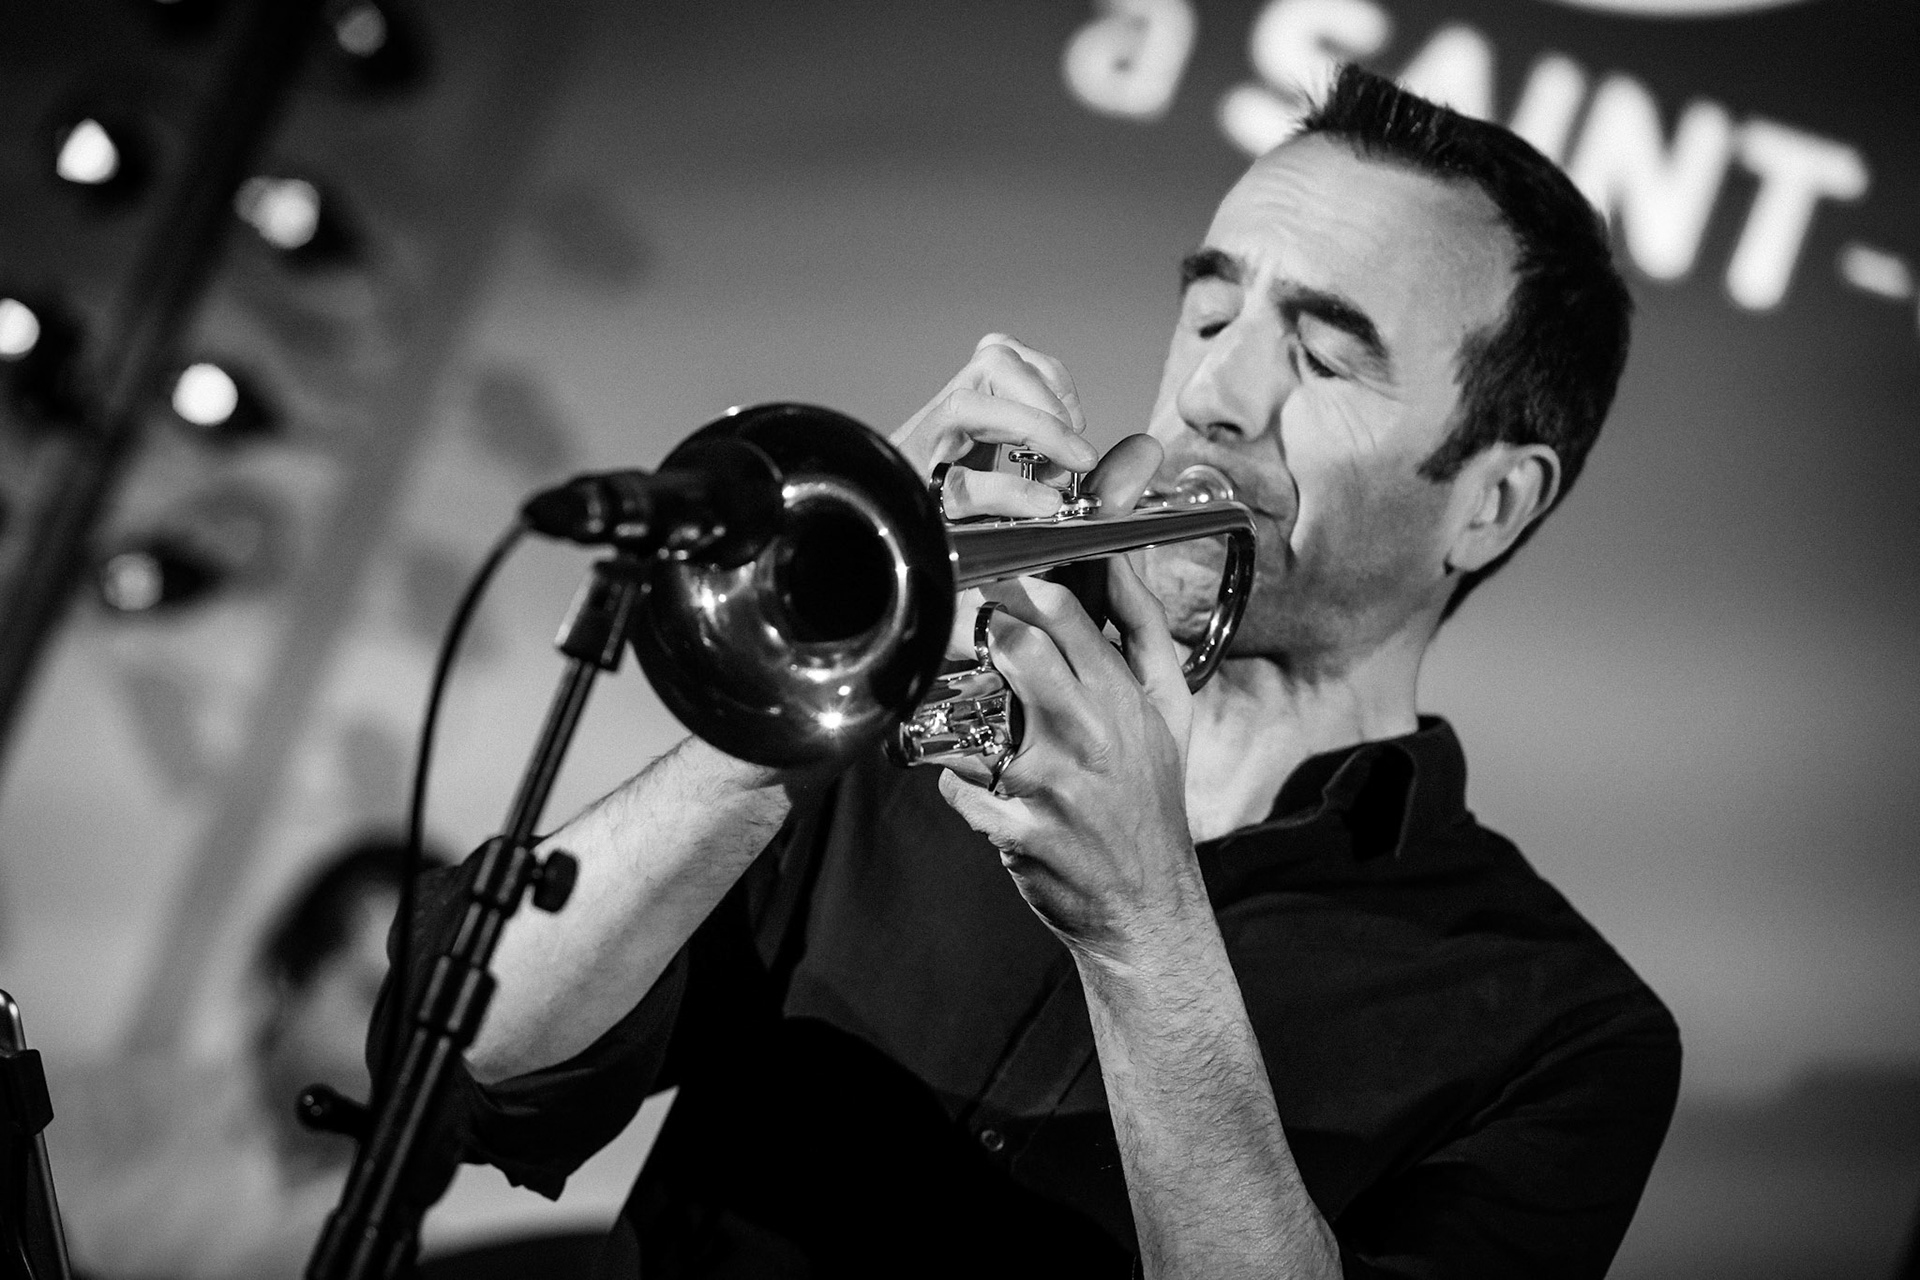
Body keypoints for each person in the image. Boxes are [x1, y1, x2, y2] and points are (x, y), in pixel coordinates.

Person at [383, 66, 1680, 1278]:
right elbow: (468, 1068)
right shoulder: (927, 703)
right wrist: (820, 674)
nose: (1217, 394)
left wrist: (1146, 931)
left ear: (1492, 505)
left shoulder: (1564, 1034)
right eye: (1213, 312)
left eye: (1324, 356)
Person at [54, 836, 442, 1280]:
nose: (402, 1044)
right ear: (287, 974)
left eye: (425, 1017)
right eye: (374, 999)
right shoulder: (89, 1116)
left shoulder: (424, 1225)